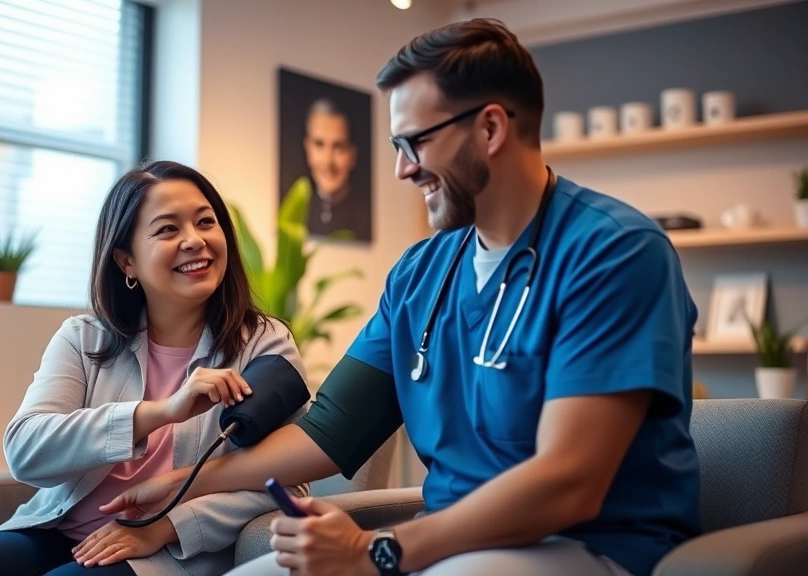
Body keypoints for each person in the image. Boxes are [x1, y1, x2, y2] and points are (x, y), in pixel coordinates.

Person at [102, 19, 701, 576]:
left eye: (414, 142)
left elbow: (567, 483)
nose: (401, 171)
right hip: (452, 542)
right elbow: (331, 431)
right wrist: (185, 481)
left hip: (588, 546)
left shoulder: (614, 252)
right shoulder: (421, 272)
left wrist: (377, 551)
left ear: (490, 128)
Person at [0, 160, 310, 576]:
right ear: (126, 261)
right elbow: (25, 449)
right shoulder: (84, 337)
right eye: (168, 229)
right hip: (60, 528)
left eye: (206, 222)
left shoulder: (263, 344)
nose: (194, 241)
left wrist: (164, 527)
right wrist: (161, 412)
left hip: (168, 550)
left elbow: (290, 480)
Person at [301, 97, 372, 242]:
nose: (328, 161)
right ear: (308, 149)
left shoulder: (364, 216)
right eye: (319, 145)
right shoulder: (299, 211)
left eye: (338, 147)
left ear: (352, 155)